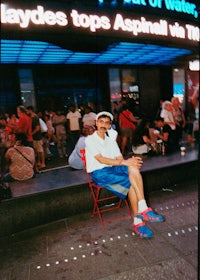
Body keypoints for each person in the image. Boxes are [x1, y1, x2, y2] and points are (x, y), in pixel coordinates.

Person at [85, 111, 163, 239]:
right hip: (100, 173)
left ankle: (143, 208)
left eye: (107, 122)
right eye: (101, 122)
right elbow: (101, 159)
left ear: (110, 125)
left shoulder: (111, 139)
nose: (103, 125)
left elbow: (118, 157)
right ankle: (138, 222)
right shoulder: (90, 140)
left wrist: (129, 162)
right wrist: (124, 162)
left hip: (113, 167)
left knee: (133, 167)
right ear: (96, 123)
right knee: (131, 182)